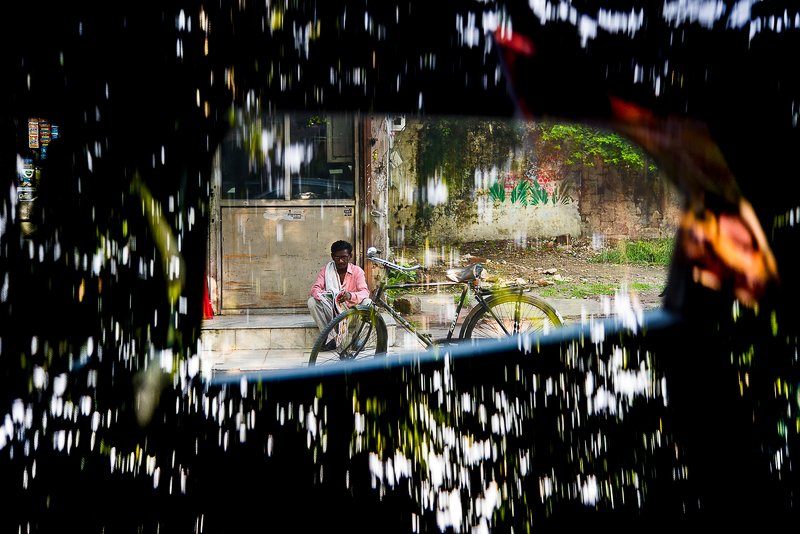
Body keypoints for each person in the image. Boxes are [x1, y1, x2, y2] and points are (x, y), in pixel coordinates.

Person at [307, 240, 371, 350]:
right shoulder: (326, 270)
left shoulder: (357, 271)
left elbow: (365, 292)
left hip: (353, 312)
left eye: (344, 257)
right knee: (312, 302)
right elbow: (315, 289)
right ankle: (328, 338)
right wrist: (326, 297)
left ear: (350, 256)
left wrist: (350, 296)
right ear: (332, 256)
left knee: (367, 302)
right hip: (333, 312)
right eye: (337, 258)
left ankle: (357, 337)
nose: (341, 261)